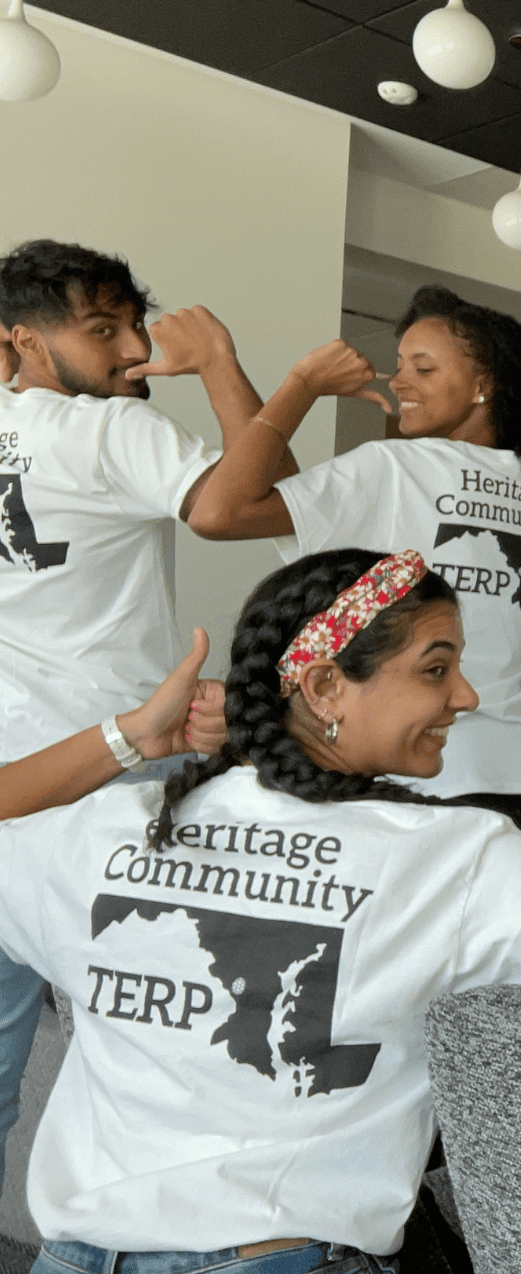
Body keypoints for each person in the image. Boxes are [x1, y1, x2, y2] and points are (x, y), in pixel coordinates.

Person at [0, 547, 521, 1274]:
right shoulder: (453, 858)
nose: (467, 696)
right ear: (326, 689)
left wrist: (127, 739)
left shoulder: (114, 828)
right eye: (436, 668)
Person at [0, 239, 278, 1208]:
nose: (132, 351)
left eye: (133, 324)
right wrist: (219, 365)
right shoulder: (107, 431)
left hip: (8, 787)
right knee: (161, 1063)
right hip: (109, 781)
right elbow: (250, 505)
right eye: (102, 328)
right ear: (22, 343)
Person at [186, 285, 521, 851]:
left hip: (416, 770)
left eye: (423, 367)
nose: (399, 381)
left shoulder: (393, 468)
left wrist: (301, 386)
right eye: (400, 366)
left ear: (484, 384)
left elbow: (222, 511)